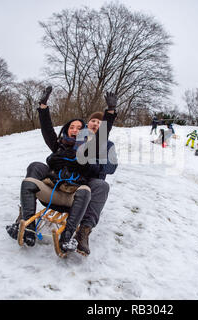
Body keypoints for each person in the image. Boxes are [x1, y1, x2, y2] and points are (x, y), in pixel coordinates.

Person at [6, 87, 118, 255]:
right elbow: (47, 131)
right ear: (66, 129)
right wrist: (43, 107)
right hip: (54, 190)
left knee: (100, 185)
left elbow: (104, 141)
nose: (75, 130)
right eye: (71, 127)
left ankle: (81, 233)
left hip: (78, 193)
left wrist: (110, 112)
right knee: (36, 166)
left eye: (79, 128)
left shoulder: (91, 147)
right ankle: (25, 220)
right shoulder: (60, 145)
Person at [74, 100, 119, 256]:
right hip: (74, 177)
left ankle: (84, 231)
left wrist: (96, 165)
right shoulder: (79, 138)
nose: (95, 123)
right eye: (93, 120)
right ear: (88, 123)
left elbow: (112, 167)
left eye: (99, 122)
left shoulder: (108, 144)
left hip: (93, 180)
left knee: (103, 186)